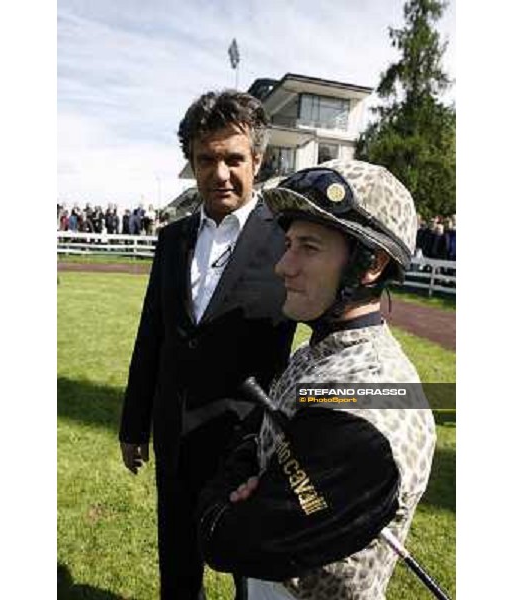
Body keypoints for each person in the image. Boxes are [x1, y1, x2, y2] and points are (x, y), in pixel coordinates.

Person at [198, 160, 437, 599]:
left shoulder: (376, 402)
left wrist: (229, 494)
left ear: (371, 263)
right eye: (288, 243)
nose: (282, 266)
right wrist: (252, 468)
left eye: (308, 247)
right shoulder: (316, 354)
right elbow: (256, 442)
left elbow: (226, 539)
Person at [118, 89, 296, 600]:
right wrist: (135, 424)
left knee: (250, 577)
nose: (220, 173)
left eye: (233, 158)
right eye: (206, 159)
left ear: (257, 160)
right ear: (192, 163)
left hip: (247, 448)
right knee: (178, 568)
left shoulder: (287, 240)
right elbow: (152, 335)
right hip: (175, 438)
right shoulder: (171, 240)